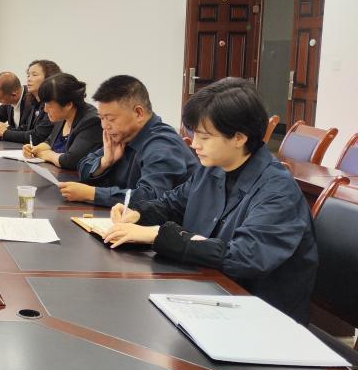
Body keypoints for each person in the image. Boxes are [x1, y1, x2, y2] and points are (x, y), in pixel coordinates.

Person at [103, 78, 316, 322]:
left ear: (239, 137)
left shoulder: (278, 190)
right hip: (209, 294)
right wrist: (138, 214)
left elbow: (244, 257)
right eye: (194, 134)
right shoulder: (213, 169)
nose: (194, 144)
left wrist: (158, 235)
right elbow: (173, 204)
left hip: (260, 315)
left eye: (204, 137)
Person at [59, 75, 198, 206]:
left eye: (111, 119)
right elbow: (83, 167)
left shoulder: (162, 144)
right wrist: (104, 162)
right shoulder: (123, 136)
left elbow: (150, 197)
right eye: (101, 118)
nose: (105, 126)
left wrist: (92, 194)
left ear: (138, 113)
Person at [23, 73, 102, 169]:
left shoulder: (91, 121)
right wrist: (36, 149)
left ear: (68, 105)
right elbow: (50, 141)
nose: (45, 110)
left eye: (49, 105)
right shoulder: (63, 116)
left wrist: (48, 155)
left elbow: (71, 161)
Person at [0, 59, 61, 144]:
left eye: (34, 75)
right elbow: (28, 129)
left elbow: (38, 136)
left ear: (49, 78)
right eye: (28, 75)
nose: (29, 79)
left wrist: (5, 133)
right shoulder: (35, 102)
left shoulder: (54, 104)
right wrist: (6, 129)